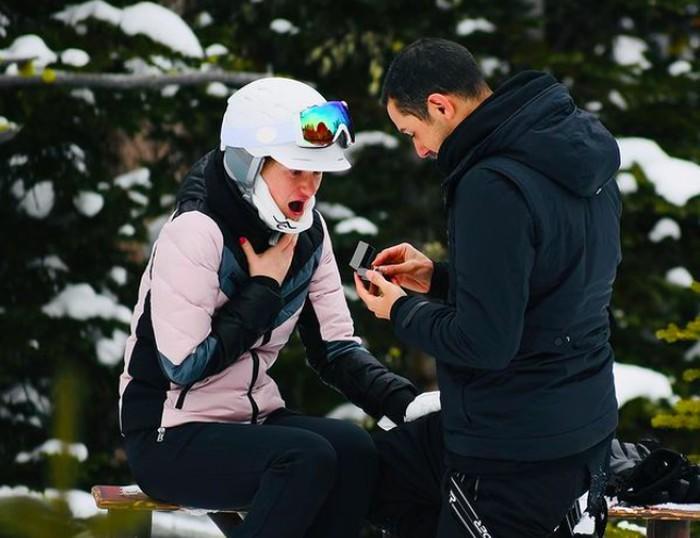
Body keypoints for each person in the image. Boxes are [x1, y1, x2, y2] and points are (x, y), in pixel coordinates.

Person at [118, 77, 424, 538]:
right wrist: (263, 287)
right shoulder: (196, 231)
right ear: (249, 164)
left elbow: (335, 349)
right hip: (168, 434)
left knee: (355, 450)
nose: (309, 186)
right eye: (295, 170)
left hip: (251, 420)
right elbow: (183, 366)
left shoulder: (308, 234)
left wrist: (405, 403)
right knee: (304, 458)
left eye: (317, 172)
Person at [355, 38, 622, 537]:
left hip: (512, 452)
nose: (420, 150)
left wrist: (400, 311)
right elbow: (553, 283)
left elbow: (485, 342)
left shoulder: (489, 183)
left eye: (413, 131)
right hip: (578, 427)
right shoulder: (571, 152)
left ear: (440, 105)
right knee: (369, 476)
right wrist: (437, 277)